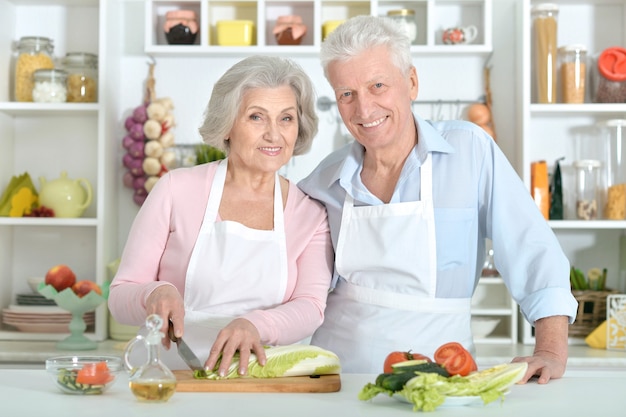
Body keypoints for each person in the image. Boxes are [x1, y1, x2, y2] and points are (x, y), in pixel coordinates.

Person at [298, 15, 578, 383]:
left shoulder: (469, 150)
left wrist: (550, 351)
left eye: (377, 85)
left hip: (446, 375)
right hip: (338, 377)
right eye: (346, 94)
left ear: (411, 82)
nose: (363, 109)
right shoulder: (323, 180)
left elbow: (532, 248)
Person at [109, 55, 333, 377]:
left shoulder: (309, 213)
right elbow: (120, 296)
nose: (274, 134)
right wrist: (153, 293)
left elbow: (311, 307)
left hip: (264, 384)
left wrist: (256, 323)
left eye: (286, 119)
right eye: (257, 117)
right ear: (227, 125)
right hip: (171, 381)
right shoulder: (175, 190)